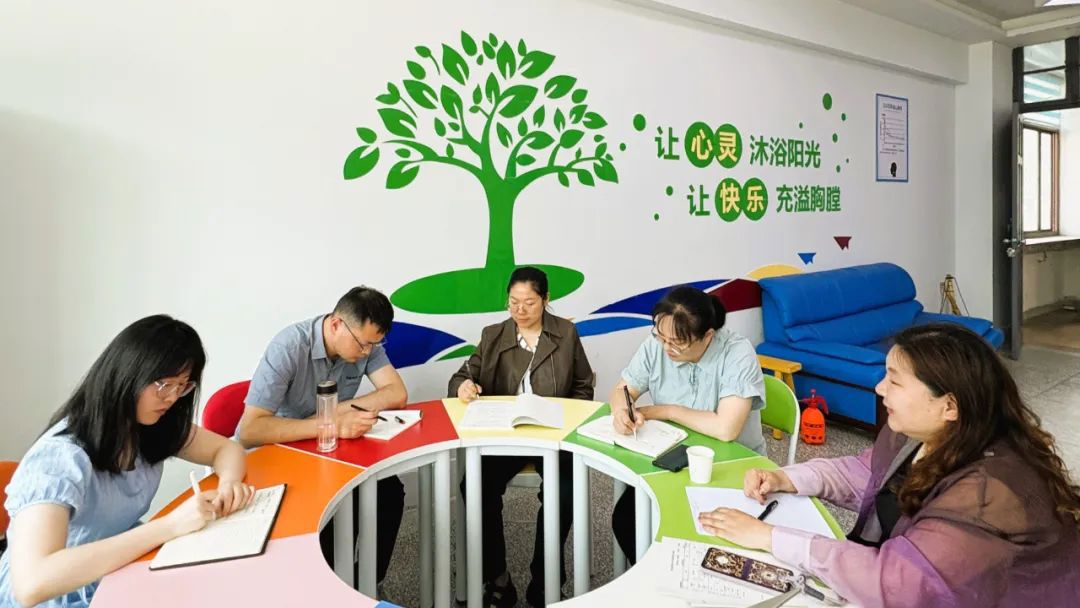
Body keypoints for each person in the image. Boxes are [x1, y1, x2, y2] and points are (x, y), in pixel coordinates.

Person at [700, 323, 1080, 607]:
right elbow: (866, 474)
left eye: (894, 382)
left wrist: (768, 537)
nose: (879, 388)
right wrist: (785, 477)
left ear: (949, 405)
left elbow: (898, 583)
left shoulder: (988, 493)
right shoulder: (921, 434)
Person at [0, 315, 254, 608]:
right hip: (56, 597)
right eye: (164, 384)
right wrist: (170, 526)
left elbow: (226, 450)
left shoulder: (150, 425)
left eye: (182, 386)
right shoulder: (60, 458)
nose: (172, 397)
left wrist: (229, 484)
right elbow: (32, 584)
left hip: (116, 573)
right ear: (127, 374)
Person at [236, 286, 407, 591]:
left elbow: (396, 393)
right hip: (285, 453)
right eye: (363, 344)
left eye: (374, 345)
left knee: (389, 492)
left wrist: (336, 412)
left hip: (333, 450)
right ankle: (326, 589)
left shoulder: (365, 343)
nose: (367, 352)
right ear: (336, 324)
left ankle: (366, 583)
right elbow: (251, 431)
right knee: (332, 511)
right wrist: (328, 424)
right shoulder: (289, 347)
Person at [448, 266, 595, 607]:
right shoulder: (493, 335)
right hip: (506, 434)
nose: (520, 310)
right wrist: (463, 386)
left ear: (546, 299)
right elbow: (461, 376)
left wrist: (567, 420)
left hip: (554, 435)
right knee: (475, 486)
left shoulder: (566, 333)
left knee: (565, 491)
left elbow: (583, 386)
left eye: (529, 302)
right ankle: (497, 576)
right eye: (513, 302)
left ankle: (545, 582)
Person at [610, 285, 766, 560]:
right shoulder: (658, 345)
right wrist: (623, 410)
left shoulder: (737, 354)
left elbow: (726, 429)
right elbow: (622, 390)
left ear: (708, 336)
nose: (666, 348)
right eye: (660, 337)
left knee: (702, 536)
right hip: (671, 461)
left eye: (677, 342)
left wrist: (667, 411)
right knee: (626, 521)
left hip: (731, 468)